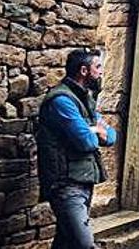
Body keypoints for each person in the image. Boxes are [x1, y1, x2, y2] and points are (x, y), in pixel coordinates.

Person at [36, 48, 117, 249]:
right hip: (65, 184)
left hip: (83, 181)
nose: (101, 71)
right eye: (97, 67)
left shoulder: (85, 99)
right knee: (84, 244)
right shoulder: (61, 101)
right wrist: (95, 130)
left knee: (66, 242)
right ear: (83, 70)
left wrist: (94, 130)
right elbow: (86, 142)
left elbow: (112, 136)